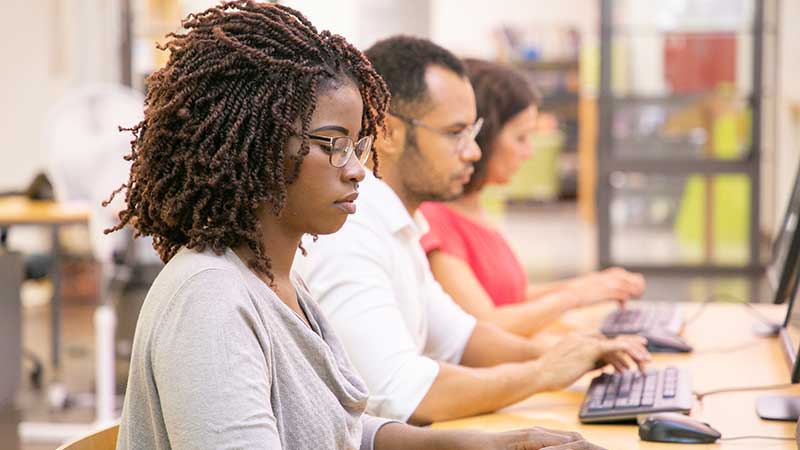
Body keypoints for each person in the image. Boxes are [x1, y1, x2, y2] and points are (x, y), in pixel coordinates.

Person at [108, 3, 607, 450]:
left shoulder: (282, 282)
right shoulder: (210, 300)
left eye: (357, 145)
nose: (356, 169)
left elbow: (345, 430)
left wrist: (480, 446)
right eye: (333, 143)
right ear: (259, 146)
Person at [294, 35, 650, 425]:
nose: (473, 152)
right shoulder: (352, 233)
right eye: (455, 133)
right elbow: (403, 394)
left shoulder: (398, 224)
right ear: (389, 132)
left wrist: (576, 353)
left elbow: (461, 337)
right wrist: (543, 373)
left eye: (473, 133)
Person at [419, 59, 646, 337]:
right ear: (484, 138)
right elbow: (486, 326)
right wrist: (575, 296)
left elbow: (509, 298)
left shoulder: (474, 209)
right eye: (521, 138)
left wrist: (590, 287)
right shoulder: (434, 220)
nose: (529, 152)